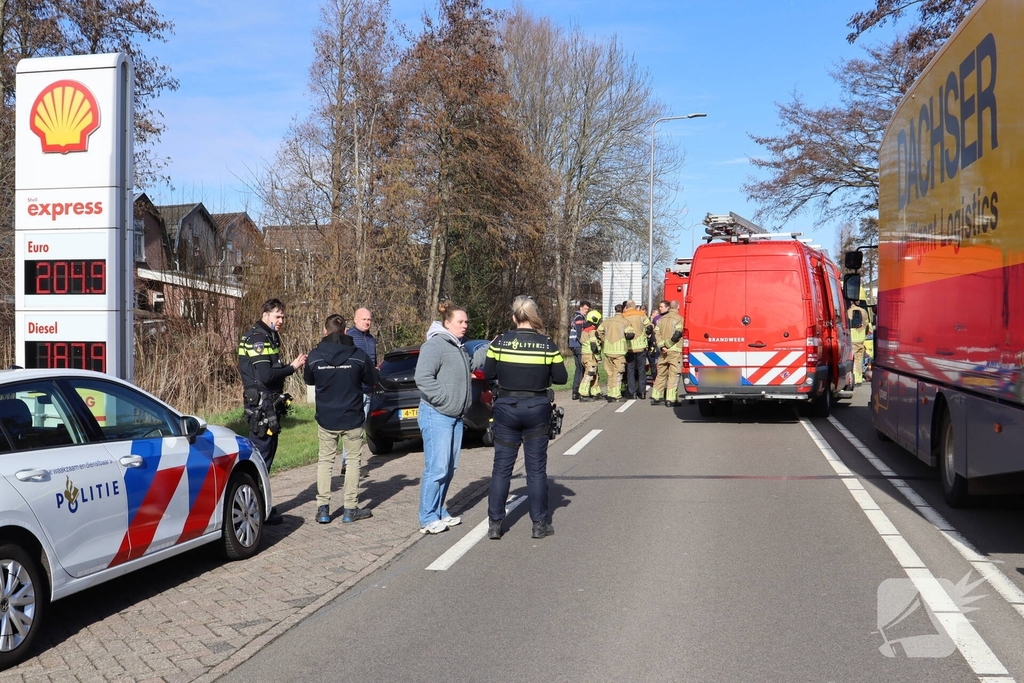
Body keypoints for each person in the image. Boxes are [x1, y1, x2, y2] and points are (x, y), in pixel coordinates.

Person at [485, 296, 567, 540]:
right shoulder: (547, 345)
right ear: (533, 316)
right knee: (536, 470)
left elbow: (488, 373)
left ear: (513, 318)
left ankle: (495, 525)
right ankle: (539, 524)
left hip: (506, 408)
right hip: (536, 409)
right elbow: (562, 377)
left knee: (501, 469)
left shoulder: (499, 343)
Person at [238, 298, 307, 525]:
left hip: (267, 404)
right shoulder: (258, 338)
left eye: (283, 317)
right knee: (260, 457)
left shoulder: (268, 335)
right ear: (265, 314)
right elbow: (266, 376)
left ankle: (261, 506)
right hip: (261, 407)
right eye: (277, 316)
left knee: (265, 456)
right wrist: (292, 368)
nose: (281, 321)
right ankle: (255, 510)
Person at [304, 314, 376, 524]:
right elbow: (371, 380)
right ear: (345, 331)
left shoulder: (315, 356)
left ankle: (323, 509)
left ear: (325, 332)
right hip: (352, 416)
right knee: (353, 461)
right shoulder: (358, 355)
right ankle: (350, 508)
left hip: (326, 418)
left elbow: (309, 379)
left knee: (325, 461)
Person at [414, 302, 472, 534]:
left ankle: (439, 511)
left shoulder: (458, 346)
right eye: (461, 321)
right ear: (447, 323)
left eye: (466, 321)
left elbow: (468, 368)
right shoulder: (435, 345)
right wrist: (445, 400)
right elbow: (423, 378)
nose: (465, 325)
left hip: (455, 417)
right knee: (436, 468)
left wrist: (490, 349)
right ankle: (427, 518)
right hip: (436, 414)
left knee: (449, 468)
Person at [651, 300, 685, 407]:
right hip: (674, 351)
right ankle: (670, 399)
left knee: (661, 374)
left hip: (663, 352)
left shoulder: (661, 319)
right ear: (678, 307)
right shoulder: (679, 319)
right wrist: (668, 345)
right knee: (673, 376)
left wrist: (662, 346)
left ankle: (656, 397)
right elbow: (678, 333)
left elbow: (656, 333)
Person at [346, 307, 377, 420]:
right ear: (355, 319)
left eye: (369, 319)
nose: (367, 322)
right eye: (364, 319)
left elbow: (374, 363)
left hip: (368, 390)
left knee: (364, 424)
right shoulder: (349, 337)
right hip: (354, 390)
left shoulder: (371, 339)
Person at [597, 303, 631, 401]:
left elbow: (598, 332)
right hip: (619, 352)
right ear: (623, 310)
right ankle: (616, 395)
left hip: (608, 351)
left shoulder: (607, 321)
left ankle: (610, 393)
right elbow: (630, 334)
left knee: (610, 373)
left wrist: (605, 340)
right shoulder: (625, 322)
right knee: (618, 373)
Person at [622, 300, 650, 399]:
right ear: (634, 306)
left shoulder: (623, 316)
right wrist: (645, 335)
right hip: (641, 346)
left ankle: (632, 392)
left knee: (630, 370)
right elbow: (649, 327)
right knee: (642, 370)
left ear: (627, 306)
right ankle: (642, 392)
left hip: (629, 347)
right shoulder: (641, 314)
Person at [568, 300, 590, 401]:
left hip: (574, 345)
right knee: (581, 369)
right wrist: (585, 343)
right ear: (581, 308)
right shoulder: (579, 318)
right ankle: (578, 391)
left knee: (579, 369)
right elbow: (579, 333)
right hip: (578, 346)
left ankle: (575, 392)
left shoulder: (576, 317)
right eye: (585, 309)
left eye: (588, 310)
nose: (586, 311)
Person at [578, 310, 603, 401]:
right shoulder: (592, 331)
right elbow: (594, 346)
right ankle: (583, 393)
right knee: (590, 374)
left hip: (585, 355)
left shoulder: (584, 330)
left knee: (595, 374)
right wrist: (598, 357)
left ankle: (595, 392)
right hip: (590, 355)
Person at [848, 300, 872, 386]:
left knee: (850, 360)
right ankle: (858, 380)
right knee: (858, 361)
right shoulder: (864, 312)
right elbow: (867, 326)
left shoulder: (848, 312)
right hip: (860, 341)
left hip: (851, 340)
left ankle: (852, 379)